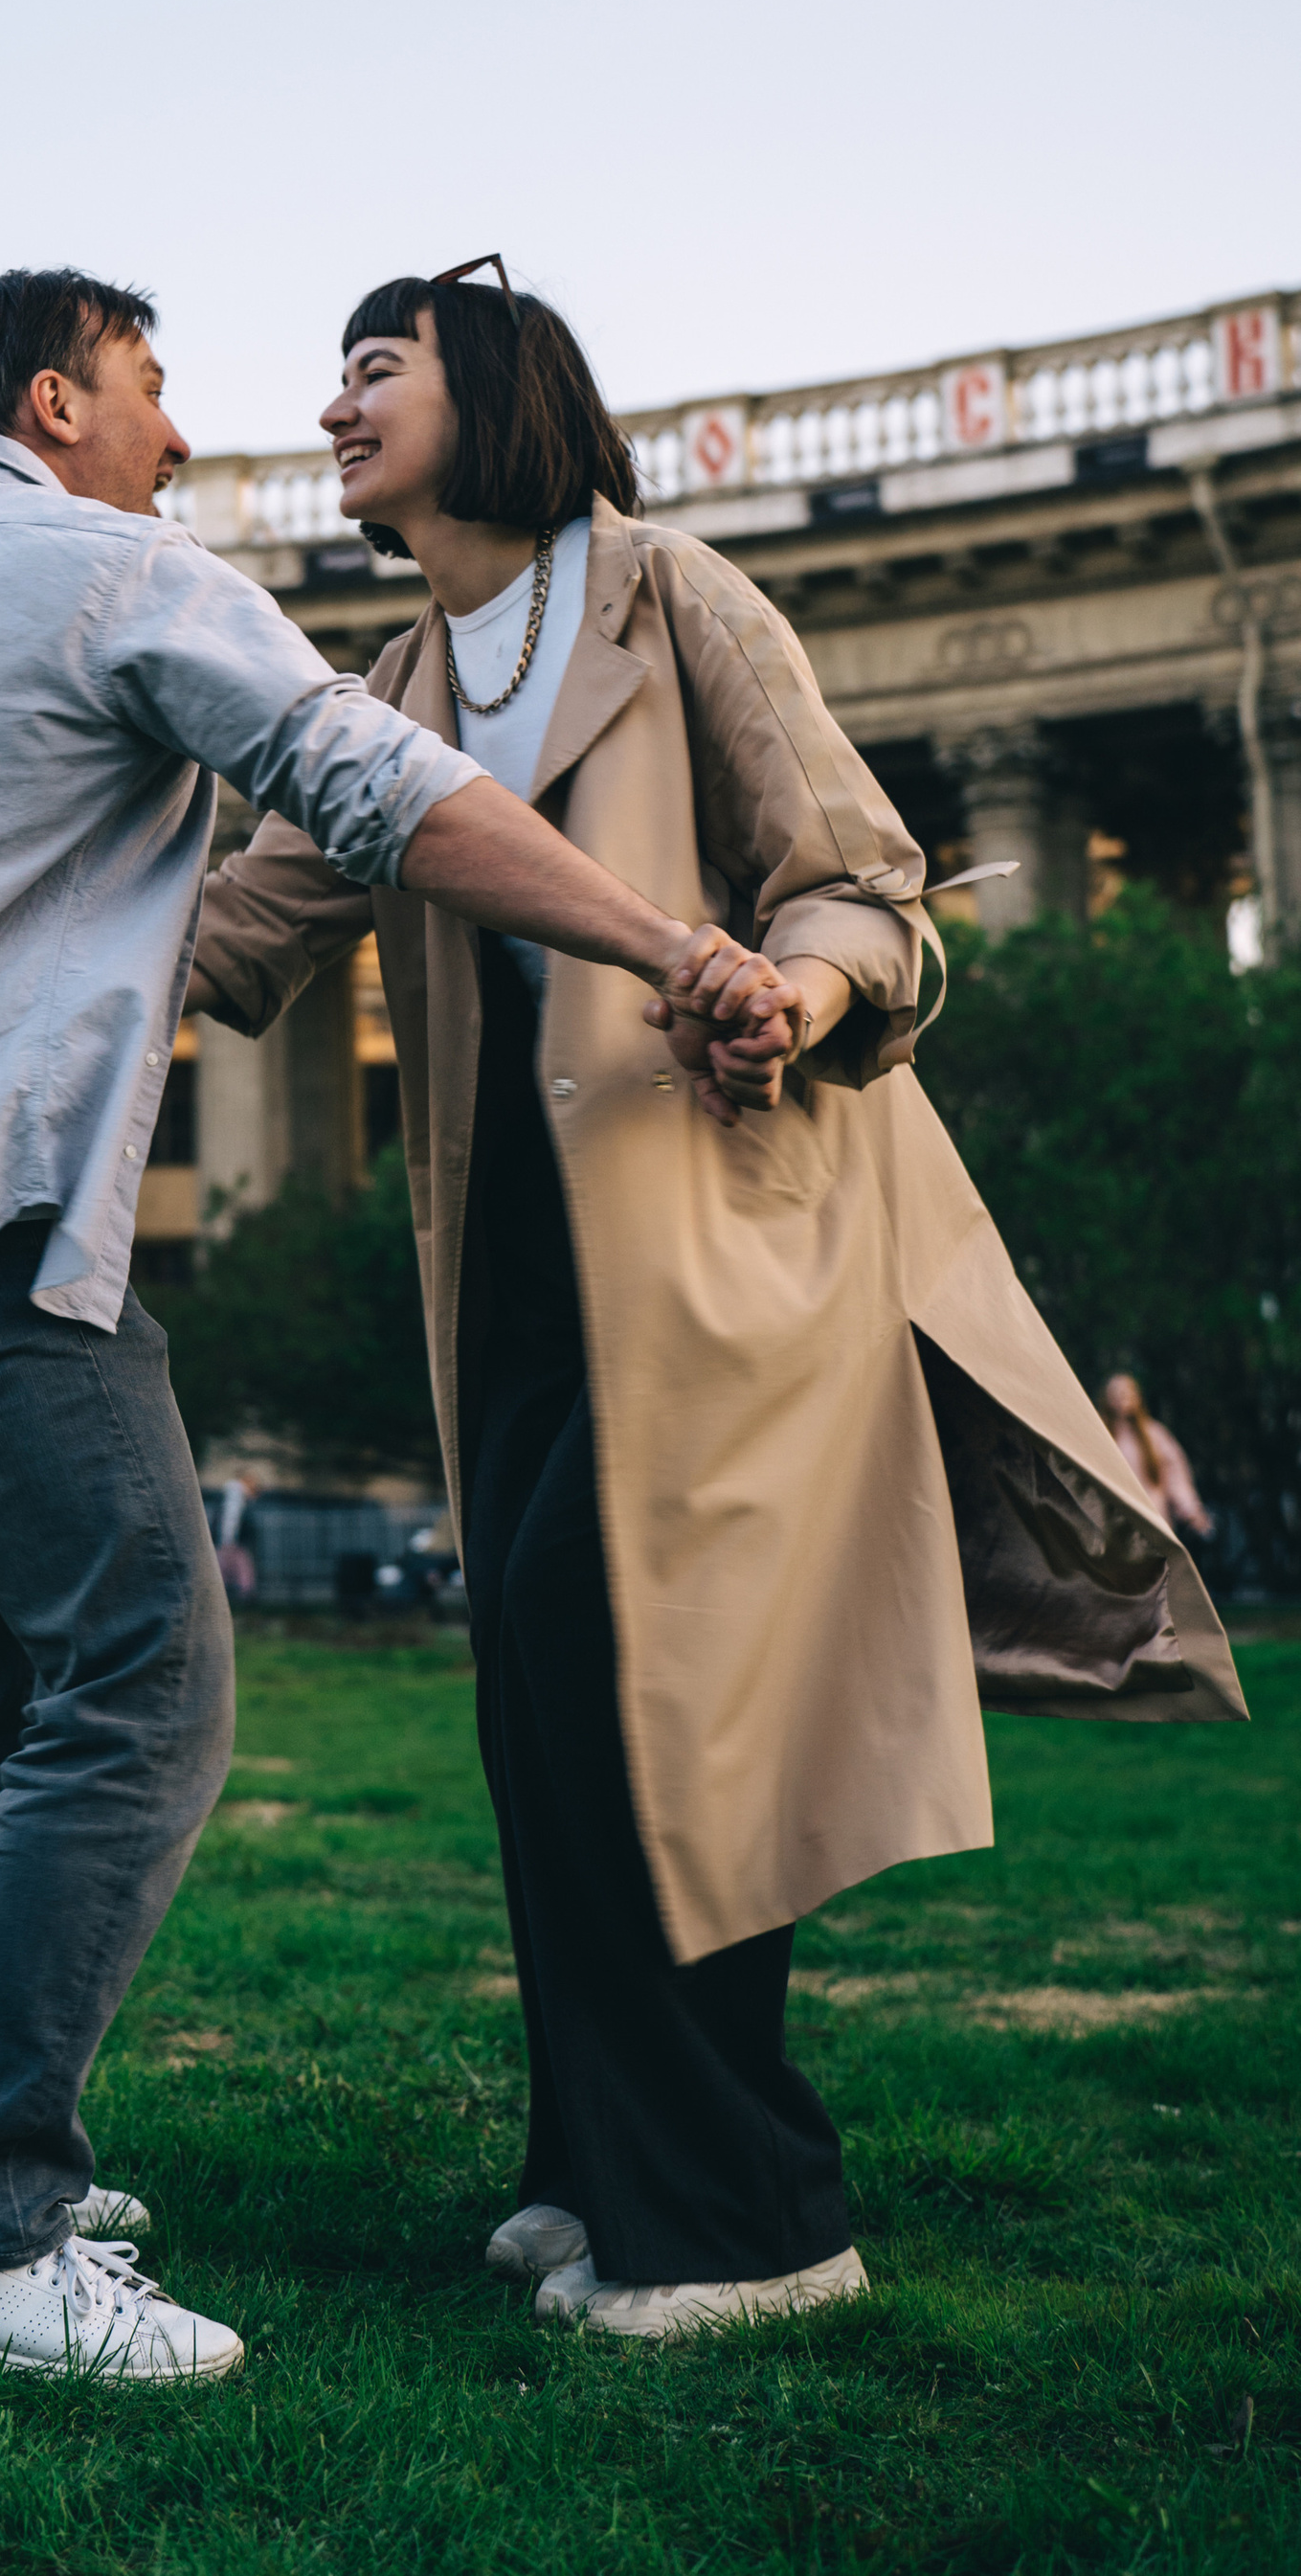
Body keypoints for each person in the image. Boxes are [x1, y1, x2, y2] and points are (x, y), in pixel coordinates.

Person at [0, 262, 788, 2386]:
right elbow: (377, 785)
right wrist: (664, 942)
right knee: (141, 1684)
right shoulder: (109, 572)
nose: (184, 437)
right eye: (152, 386)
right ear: (55, 400)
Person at [188, 258, 1248, 2344]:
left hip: (721, 1251)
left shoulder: (674, 598)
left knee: (656, 1710)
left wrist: (798, 989)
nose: (331, 411)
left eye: (374, 369)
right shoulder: (392, 682)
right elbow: (237, 932)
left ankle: (751, 2219)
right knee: (545, 1715)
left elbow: (862, 884)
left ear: (495, 392)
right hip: (516, 1272)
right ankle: (597, 2167)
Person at [1104, 1373, 1213, 1541]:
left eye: (1126, 1391)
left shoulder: (1154, 1435)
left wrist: (1191, 1511)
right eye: (1115, 1392)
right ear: (1106, 1399)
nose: (1121, 1397)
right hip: (1116, 1526)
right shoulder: (1103, 1438)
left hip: (1154, 1522)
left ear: (1137, 1396)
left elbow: (1176, 1476)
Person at [210, 1469, 260, 1605]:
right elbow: (231, 1520)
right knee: (239, 1568)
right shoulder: (236, 1496)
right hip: (233, 1541)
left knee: (225, 1568)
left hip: (229, 1541)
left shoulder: (231, 1494)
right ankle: (244, 1596)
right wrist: (228, 1540)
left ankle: (222, 1596)